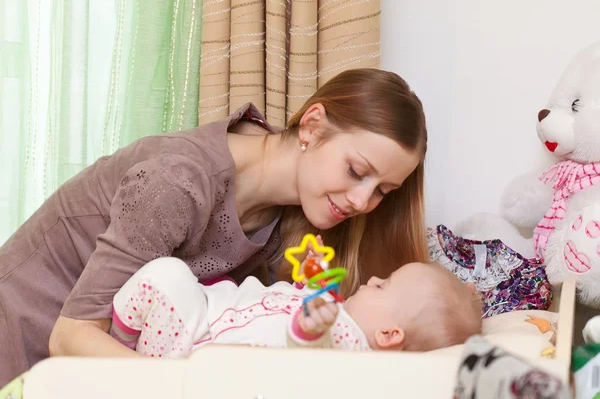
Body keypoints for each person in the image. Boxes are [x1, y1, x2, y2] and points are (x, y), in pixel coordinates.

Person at [0, 68, 428, 386]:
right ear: (312, 127)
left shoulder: (295, 215)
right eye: (356, 171)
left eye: (382, 191)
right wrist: (192, 385)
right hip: (25, 335)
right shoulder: (177, 182)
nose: (361, 202)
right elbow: (71, 336)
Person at [109, 258, 482, 355]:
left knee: (166, 277)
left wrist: (309, 326)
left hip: (192, 349)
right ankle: (121, 354)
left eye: (382, 285)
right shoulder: (335, 311)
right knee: (168, 278)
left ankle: (133, 367)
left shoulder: (348, 345)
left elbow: (306, 352)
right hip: (207, 319)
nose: (370, 281)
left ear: (388, 334)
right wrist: (307, 280)